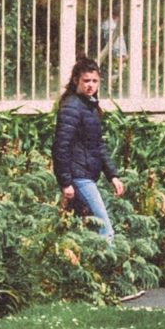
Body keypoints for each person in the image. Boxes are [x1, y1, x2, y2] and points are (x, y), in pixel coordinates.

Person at [54, 56, 123, 241]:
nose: (91, 85)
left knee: (74, 232)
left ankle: (76, 267)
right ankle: (107, 267)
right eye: (86, 81)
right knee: (104, 229)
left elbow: (97, 145)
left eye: (94, 81)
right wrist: (65, 182)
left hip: (85, 175)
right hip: (79, 177)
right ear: (76, 80)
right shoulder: (71, 107)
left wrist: (112, 175)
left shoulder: (89, 106)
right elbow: (61, 147)